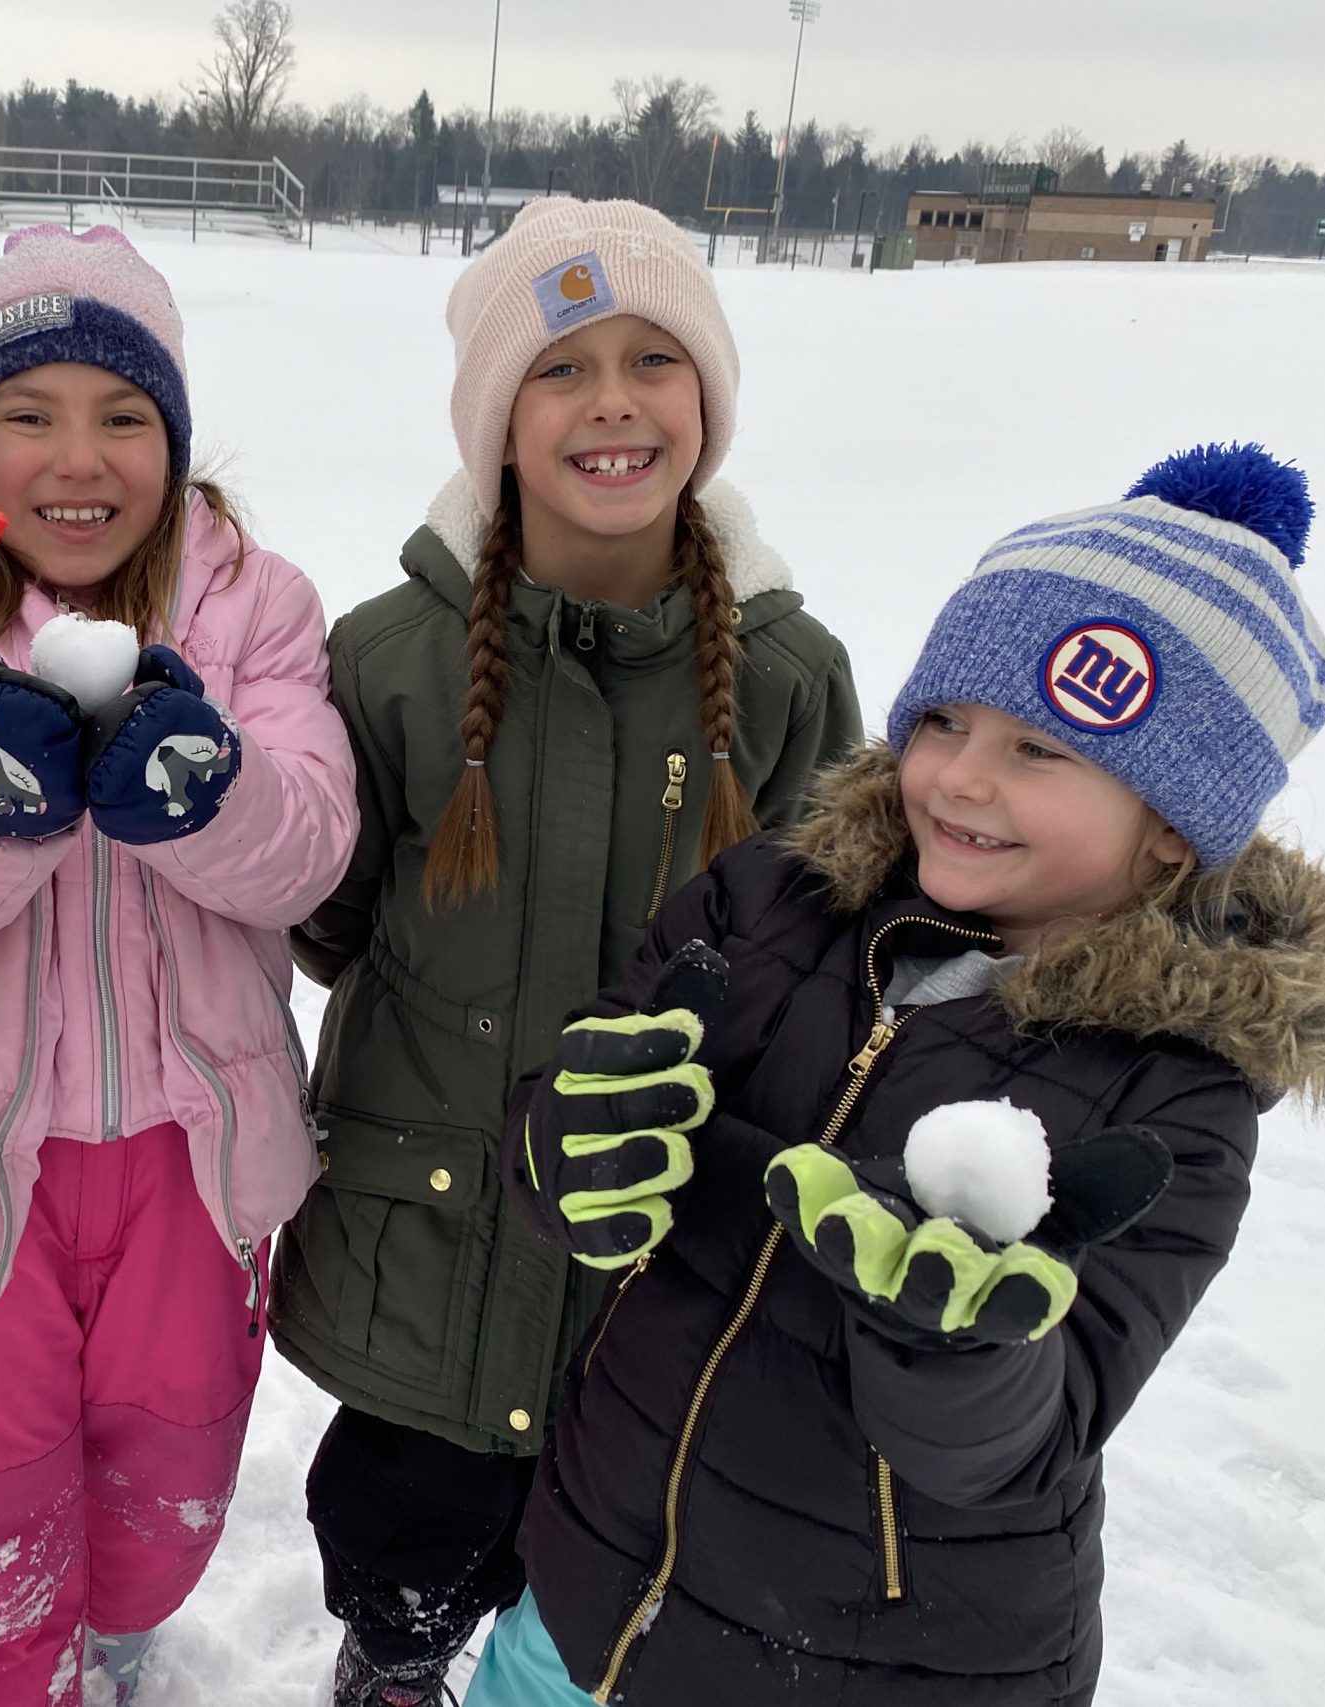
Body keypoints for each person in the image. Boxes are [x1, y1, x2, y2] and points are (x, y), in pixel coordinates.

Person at [481, 444, 1325, 1705]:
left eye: (1040, 751)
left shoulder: (1175, 1094)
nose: (960, 778)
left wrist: (956, 1344)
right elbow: (587, 1086)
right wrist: (561, 1147)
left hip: (871, 1671)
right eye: (943, 721)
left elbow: (1028, 1441)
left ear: (1175, 824)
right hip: (584, 1591)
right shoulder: (769, 898)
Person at [266, 195, 862, 1704]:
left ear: (706, 404)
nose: (612, 400)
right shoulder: (388, 659)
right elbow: (332, 925)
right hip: (436, 1254)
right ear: (499, 426)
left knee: (608, 1602)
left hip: (654, 1268)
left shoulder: (790, 678)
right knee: (403, 1561)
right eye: (562, 366)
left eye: (655, 358)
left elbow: (821, 969)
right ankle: (387, 1671)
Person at [0, 222, 357, 1705]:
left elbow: (310, 847)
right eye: (28, 414)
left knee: (160, 1484)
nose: (80, 456)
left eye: (124, 417)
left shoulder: (252, 604)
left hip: (195, 1154)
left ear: (171, 444)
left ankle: (109, 1635)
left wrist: (206, 791)